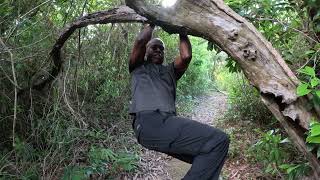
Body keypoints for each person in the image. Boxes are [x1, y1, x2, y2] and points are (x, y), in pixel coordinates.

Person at [128, 24, 229, 180]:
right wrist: (153, 20)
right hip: (148, 122)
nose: (158, 51)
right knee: (218, 140)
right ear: (146, 51)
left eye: (161, 49)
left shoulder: (170, 72)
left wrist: (182, 31)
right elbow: (141, 40)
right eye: (154, 47)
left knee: (209, 154)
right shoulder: (138, 67)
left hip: (166, 122)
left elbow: (186, 56)